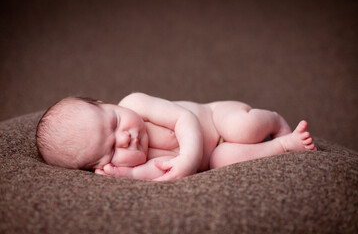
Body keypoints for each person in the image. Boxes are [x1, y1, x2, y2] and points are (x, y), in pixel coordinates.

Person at [36, 92, 317, 181]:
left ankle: (276, 122)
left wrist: (188, 159)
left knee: (239, 129)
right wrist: (124, 175)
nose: (124, 138)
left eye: (114, 122)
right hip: (214, 153)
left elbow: (186, 119)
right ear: (99, 166)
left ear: (106, 104)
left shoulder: (135, 104)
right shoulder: (125, 166)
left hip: (216, 119)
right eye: (111, 150)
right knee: (222, 159)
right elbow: (146, 174)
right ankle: (283, 145)